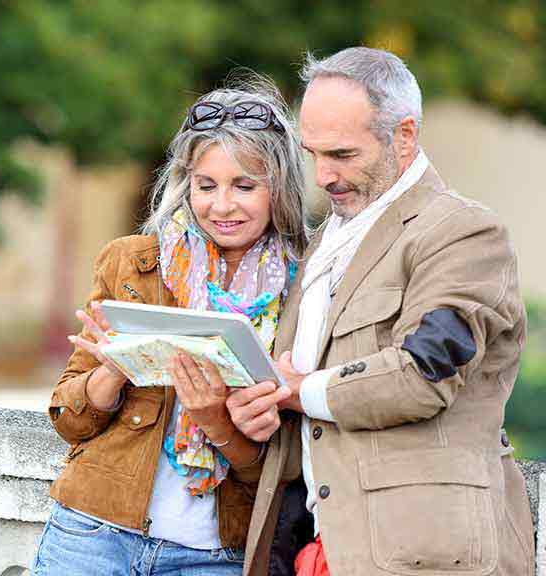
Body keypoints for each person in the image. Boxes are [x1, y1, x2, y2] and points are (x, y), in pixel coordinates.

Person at [227, 47, 536, 576]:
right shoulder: (323, 242)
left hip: (425, 554)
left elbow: (423, 374)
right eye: (313, 154)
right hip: (310, 547)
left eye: (343, 154)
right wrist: (256, 407)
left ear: (405, 135)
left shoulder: (462, 232)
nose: (323, 175)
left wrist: (296, 390)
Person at [30, 75, 306, 576]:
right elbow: (69, 421)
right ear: (186, 183)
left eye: (244, 185)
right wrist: (111, 372)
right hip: (92, 534)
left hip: (216, 554)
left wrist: (216, 421)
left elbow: (282, 472)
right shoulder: (132, 263)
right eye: (206, 185)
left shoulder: (306, 289)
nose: (221, 206)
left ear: (279, 188)